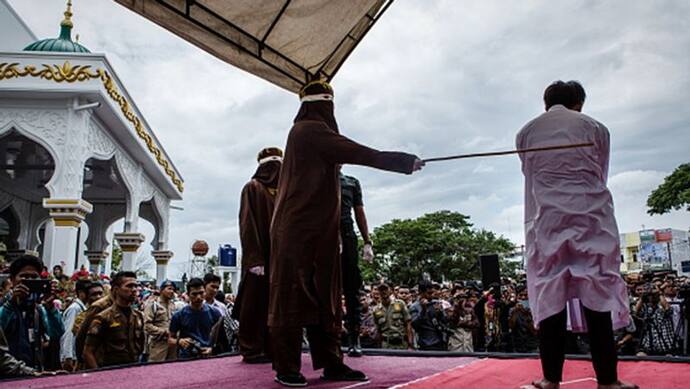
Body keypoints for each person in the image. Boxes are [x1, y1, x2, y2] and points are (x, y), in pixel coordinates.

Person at [268, 79, 423, 387]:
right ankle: (286, 366)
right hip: (296, 229)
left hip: (320, 232)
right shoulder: (308, 131)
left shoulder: (312, 136)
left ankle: (331, 362)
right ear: (321, 107)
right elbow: (357, 152)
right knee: (293, 295)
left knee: (326, 296)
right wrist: (404, 162)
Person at [517, 80, 637, 389]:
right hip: (591, 220)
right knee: (597, 298)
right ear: (579, 103)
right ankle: (608, 381)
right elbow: (601, 171)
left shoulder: (526, 132)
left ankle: (549, 379)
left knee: (550, 297)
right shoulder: (596, 127)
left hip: (548, 222)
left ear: (546, 104)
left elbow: (530, 173)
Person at [234, 147, 282, 364]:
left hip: (281, 260)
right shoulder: (252, 188)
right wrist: (254, 259)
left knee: (277, 306)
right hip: (260, 258)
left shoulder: (285, 191)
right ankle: (252, 349)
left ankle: (274, 348)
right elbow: (247, 224)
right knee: (254, 304)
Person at [0, 255, 64, 370]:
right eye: (24, 276)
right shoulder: (4, 305)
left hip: (33, 373)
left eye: (34, 277)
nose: (29, 280)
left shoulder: (38, 309)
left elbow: (56, 333)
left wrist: (50, 307)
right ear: (12, 279)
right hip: (7, 375)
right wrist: (12, 304)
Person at [339, 171, 375, 357]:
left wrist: (367, 241)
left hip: (347, 234)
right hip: (323, 235)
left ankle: (354, 338)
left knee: (352, 289)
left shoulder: (351, 182)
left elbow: (359, 211)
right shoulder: (315, 177)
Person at [83, 271, 144, 369]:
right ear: (116, 289)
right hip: (110, 370)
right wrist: (99, 374)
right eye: (129, 286)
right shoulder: (104, 317)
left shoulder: (138, 316)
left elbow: (140, 346)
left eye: (135, 286)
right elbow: (88, 351)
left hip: (132, 368)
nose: (134, 290)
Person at [169, 278, 222, 359]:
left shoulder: (215, 313)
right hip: (186, 358)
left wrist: (212, 349)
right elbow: (170, 339)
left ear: (205, 292)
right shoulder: (179, 315)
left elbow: (221, 339)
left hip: (208, 356)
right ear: (188, 294)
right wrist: (179, 341)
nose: (198, 297)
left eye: (201, 293)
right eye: (194, 294)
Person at [60, 279, 90, 371]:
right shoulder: (74, 309)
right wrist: (68, 356)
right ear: (81, 293)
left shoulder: (83, 308)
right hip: (72, 356)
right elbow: (68, 332)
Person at [144, 280, 177, 362]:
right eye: (169, 289)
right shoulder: (153, 305)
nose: (172, 291)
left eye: (173, 289)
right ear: (161, 290)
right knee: (155, 369)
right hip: (158, 343)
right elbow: (147, 326)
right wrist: (164, 332)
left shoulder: (173, 305)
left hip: (172, 344)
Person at [373, 284, 413, 350]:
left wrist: (410, 345)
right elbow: (378, 330)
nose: (383, 291)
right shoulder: (376, 310)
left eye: (386, 289)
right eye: (381, 290)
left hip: (402, 343)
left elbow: (408, 324)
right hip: (386, 345)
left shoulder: (400, 304)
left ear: (390, 291)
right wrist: (379, 348)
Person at [409, 281, 447, 351]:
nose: (432, 295)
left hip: (440, 342)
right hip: (425, 344)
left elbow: (445, 322)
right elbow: (415, 325)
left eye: (432, 293)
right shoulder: (414, 307)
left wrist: (440, 313)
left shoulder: (436, 303)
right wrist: (423, 310)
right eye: (429, 293)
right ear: (421, 292)